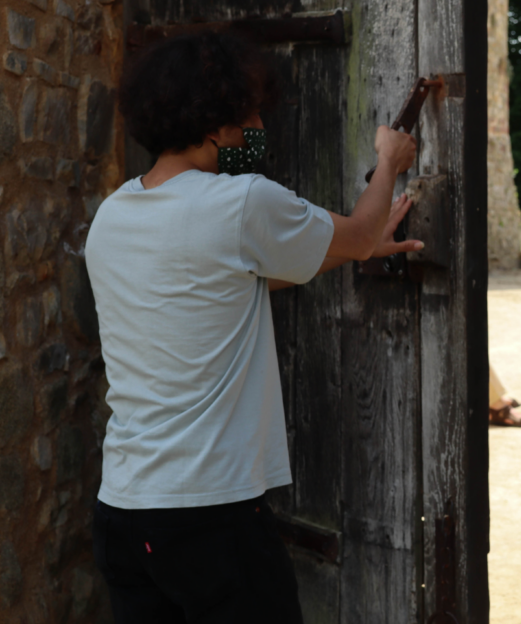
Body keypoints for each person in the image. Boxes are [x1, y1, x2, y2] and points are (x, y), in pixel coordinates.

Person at [86, 32, 422, 622]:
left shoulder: (113, 213)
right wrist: (389, 162)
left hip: (123, 508)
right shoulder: (239, 201)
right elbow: (361, 233)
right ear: (215, 124)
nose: (259, 125)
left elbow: (234, 284)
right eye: (251, 114)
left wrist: (350, 250)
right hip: (210, 513)